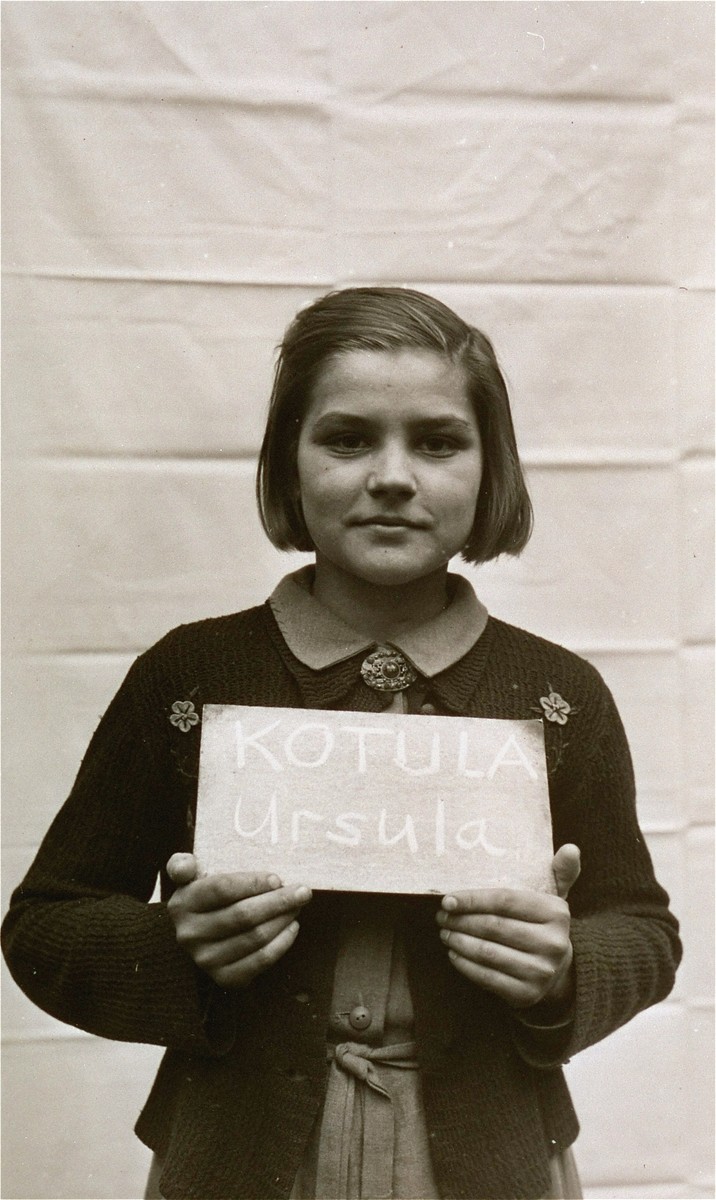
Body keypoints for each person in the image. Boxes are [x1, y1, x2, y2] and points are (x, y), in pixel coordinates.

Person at [2, 287, 681, 1200]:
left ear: (492, 472)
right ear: (288, 469)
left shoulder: (558, 698)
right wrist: (175, 947)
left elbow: (643, 929)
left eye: (438, 441)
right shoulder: (192, 677)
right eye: (348, 438)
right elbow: (46, 922)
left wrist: (563, 969)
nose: (393, 476)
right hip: (235, 1163)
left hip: (490, 1164)